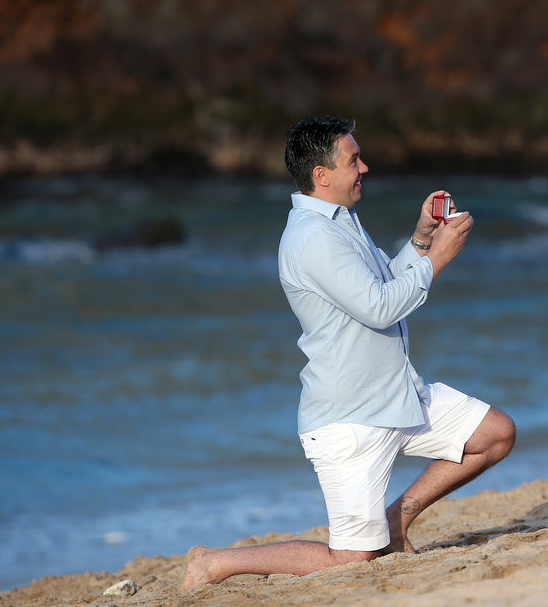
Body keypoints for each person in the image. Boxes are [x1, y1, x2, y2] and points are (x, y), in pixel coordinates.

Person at [181, 115, 516, 590]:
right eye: (353, 160)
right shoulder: (312, 237)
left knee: (496, 434)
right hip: (350, 420)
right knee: (354, 560)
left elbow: (385, 284)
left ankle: (397, 524)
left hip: (397, 396)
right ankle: (213, 562)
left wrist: (422, 238)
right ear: (322, 175)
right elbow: (381, 308)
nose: (365, 167)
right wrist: (438, 258)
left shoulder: (341, 222)